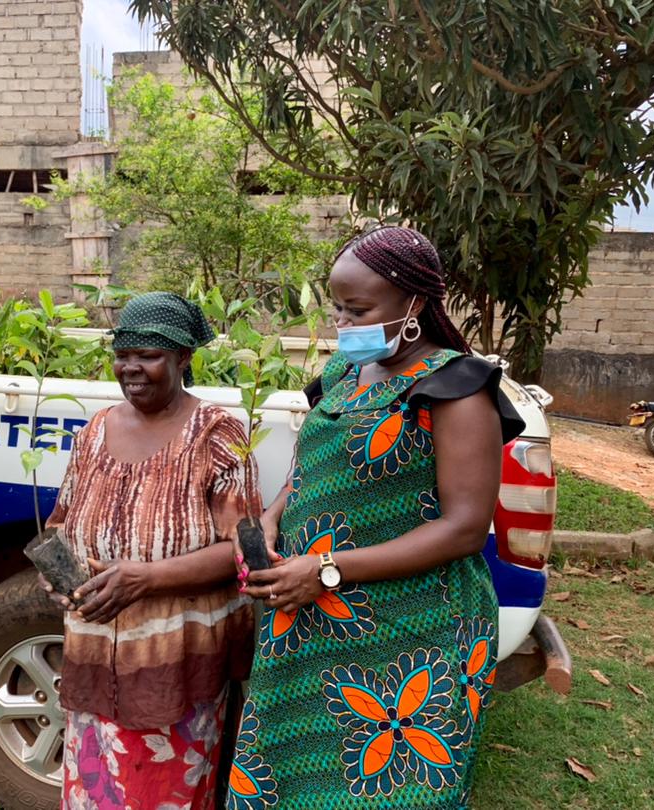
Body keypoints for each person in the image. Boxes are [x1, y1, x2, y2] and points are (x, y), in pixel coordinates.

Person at [229, 226, 525, 809]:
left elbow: (464, 528)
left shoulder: (456, 390)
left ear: (414, 303)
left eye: (358, 309)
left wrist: (328, 570)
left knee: (390, 789)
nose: (343, 323)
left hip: (412, 632)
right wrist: (273, 516)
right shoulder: (344, 373)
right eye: (338, 307)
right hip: (310, 617)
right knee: (292, 769)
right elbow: (315, 466)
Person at [40, 291, 260, 810]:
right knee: (96, 791)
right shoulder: (95, 431)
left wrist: (144, 578)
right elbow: (62, 522)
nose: (131, 368)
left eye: (149, 355)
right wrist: (56, 575)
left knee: (165, 793)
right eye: (123, 354)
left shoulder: (217, 433)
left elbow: (242, 550)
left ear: (184, 358)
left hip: (176, 662)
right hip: (95, 654)